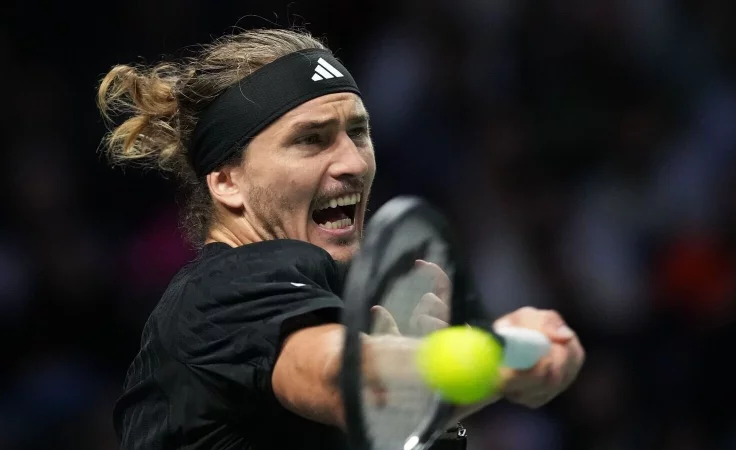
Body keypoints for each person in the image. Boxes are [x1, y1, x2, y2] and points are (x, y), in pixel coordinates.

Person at [97, 28, 585, 450]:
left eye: (358, 131)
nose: (352, 162)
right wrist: (495, 354)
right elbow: (349, 385)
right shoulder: (224, 288)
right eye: (310, 139)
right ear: (227, 182)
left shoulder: (311, 311)